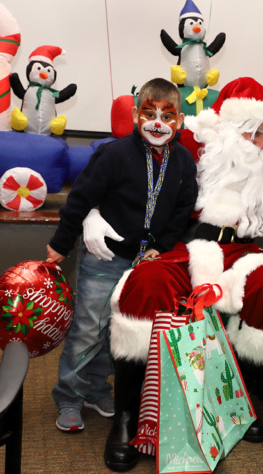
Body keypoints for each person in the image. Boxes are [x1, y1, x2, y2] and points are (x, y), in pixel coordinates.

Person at [106, 77, 263, 472]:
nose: (260, 144)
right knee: (146, 283)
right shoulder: (196, 148)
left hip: (245, 249)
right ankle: (127, 415)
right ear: (231, 130)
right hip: (188, 243)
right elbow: (141, 178)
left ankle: (241, 402)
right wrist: (93, 212)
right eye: (252, 132)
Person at [45, 78, 198, 433]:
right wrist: (62, 242)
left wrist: (162, 246)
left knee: (117, 329)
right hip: (106, 255)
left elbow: (182, 209)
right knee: (88, 327)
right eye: (149, 113)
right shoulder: (113, 154)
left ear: (180, 121)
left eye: (168, 115)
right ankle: (69, 395)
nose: (158, 123)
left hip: (146, 261)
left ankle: (97, 387)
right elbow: (80, 198)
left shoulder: (184, 162)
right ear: (134, 114)